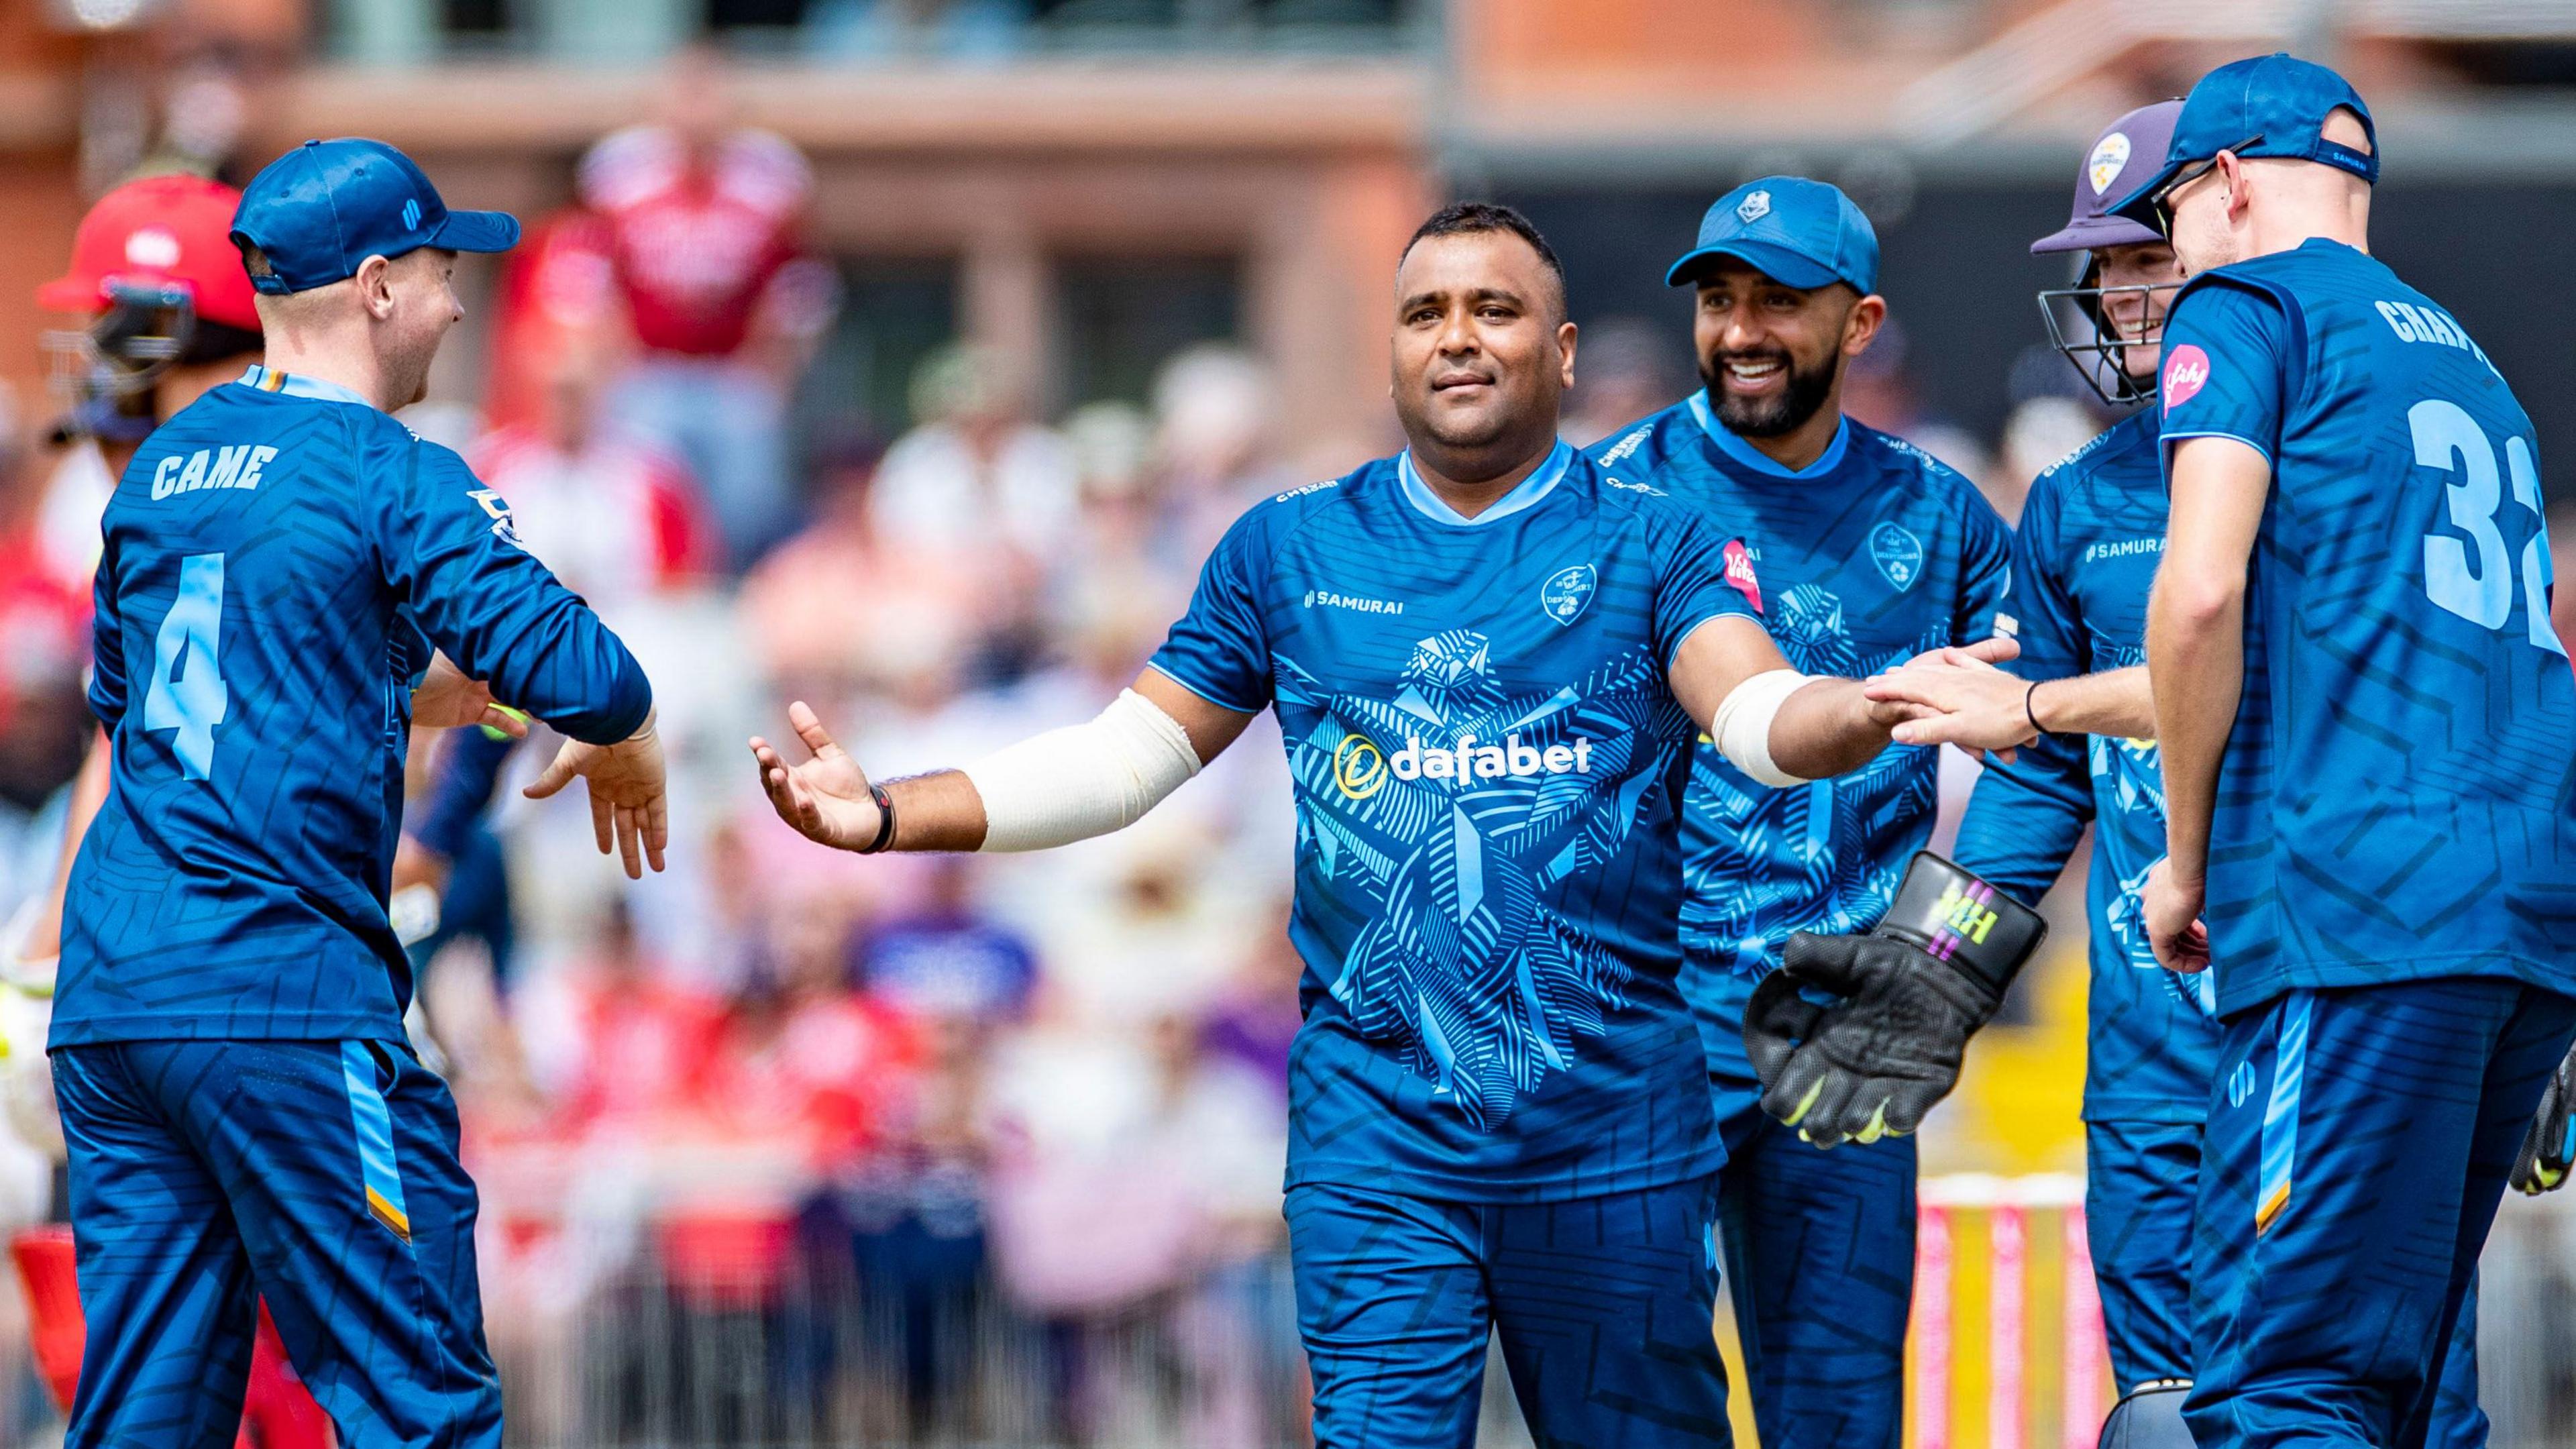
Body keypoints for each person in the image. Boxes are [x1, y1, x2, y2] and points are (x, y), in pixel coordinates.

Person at [749, 201, 2012, 1448]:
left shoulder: (1659, 537)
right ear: (1393, 349)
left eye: (1495, 310)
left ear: (1562, 354)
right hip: (1383, 1138)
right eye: (1427, 313)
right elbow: (1125, 761)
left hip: (1611, 1134)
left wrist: (1865, 714)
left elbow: (1754, 711)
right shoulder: (1289, 546)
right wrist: (885, 817)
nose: (1457, 337)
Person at [1834, 99, 2487, 1447]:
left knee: (2387, 1409)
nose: (2126, 296)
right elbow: (2038, 782)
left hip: (2351, 1022)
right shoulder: (2077, 499)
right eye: (2108, 267)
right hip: (2156, 1048)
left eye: (2151, 256)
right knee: (2166, 1420)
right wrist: (1930, 971)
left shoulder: (2342, 459)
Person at [50, 137, 670, 1449]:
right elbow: (584, 670)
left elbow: (151, 702)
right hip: (277, 991)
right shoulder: (394, 469)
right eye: (446, 271)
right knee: (420, 1407)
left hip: (115, 1002)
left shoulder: (162, 467)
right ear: (380, 285)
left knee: (145, 1423)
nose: (459, 305)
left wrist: (470, 703)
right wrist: (627, 729)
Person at [2106, 56, 2574, 1449]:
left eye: (2170, 212)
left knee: (2281, 1386)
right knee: (2408, 1387)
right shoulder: (2470, 359)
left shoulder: (2246, 306)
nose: (2168, 251)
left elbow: (2197, 593)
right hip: (2521, 927)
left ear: (2229, 182)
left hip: (2356, 913)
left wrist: (2184, 863)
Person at [1580, 176, 2010, 1449]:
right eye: (1720, 300)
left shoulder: (1940, 517)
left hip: (1850, 1021)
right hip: (1646, 1018)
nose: (1743, 330)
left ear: (1861, 321)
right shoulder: (1610, 497)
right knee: (1635, 1393)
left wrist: (1942, 966)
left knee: (1839, 1412)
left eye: (1779, 300)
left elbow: (2043, 750)